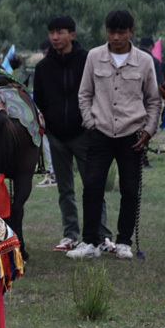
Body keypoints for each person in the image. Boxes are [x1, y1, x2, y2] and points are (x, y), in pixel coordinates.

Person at [67, 9, 161, 261]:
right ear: (106, 31)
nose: (116, 37)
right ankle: (90, 242)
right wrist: (90, 122)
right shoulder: (94, 57)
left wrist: (149, 131)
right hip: (100, 131)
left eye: (121, 32)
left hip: (133, 134)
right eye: (111, 32)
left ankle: (124, 242)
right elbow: (84, 93)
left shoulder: (144, 61)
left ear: (131, 32)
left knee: (130, 189)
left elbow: (153, 100)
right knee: (92, 187)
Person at [33, 14, 114, 252]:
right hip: (56, 135)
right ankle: (70, 234)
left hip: (85, 132)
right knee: (65, 188)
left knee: (94, 185)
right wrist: (48, 128)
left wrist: (92, 123)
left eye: (60, 32)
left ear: (72, 34)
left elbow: (99, 93)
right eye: (51, 33)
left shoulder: (88, 60)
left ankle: (101, 235)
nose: (55, 37)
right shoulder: (43, 67)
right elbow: (39, 101)